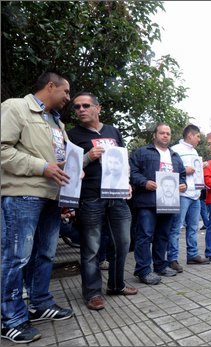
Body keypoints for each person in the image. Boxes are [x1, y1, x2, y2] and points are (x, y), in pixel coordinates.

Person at [1, 71, 74, 343]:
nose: (68, 97)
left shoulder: (57, 122)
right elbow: (2, 149)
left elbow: (59, 160)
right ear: (50, 86)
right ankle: (11, 320)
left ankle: (40, 303)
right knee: (16, 257)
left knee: (44, 255)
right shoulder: (16, 107)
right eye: (65, 92)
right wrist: (41, 167)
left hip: (51, 197)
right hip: (22, 195)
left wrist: (71, 178)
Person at [68, 92, 137, 310]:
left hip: (117, 196)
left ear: (98, 108)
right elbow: (67, 166)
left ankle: (116, 285)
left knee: (123, 242)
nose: (81, 109)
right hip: (90, 197)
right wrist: (88, 157)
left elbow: (123, 161)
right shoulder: (72, 135)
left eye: (86, 105)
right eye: (77, 107)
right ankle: (93, 293)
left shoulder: (113, 131)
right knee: (91, 248)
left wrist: (127, 183)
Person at [130, 123, 187, 284]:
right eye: (162, 133)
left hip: (169, 202)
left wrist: (183, 185)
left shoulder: (175, 156)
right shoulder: (142, 152)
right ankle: (143, 270)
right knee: (144, 236)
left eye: (168, 133)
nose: (165, 136)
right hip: (148, 201)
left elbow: (182, 176)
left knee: (163, 235)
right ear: (155, 135)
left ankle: (160, 265)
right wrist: (144, 182)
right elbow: (132, 172)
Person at [168, 124, 209, 266]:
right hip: (182, 194)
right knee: (176, 227)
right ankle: (172, 258)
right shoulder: (174, 150)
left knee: (193, 227)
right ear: (190, 135)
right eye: (198, 136)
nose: (199, 139)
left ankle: (192, 255)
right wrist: (184, 170)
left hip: (195, 195)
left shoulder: (195, 152)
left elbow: (194, 171)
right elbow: (169, 169)